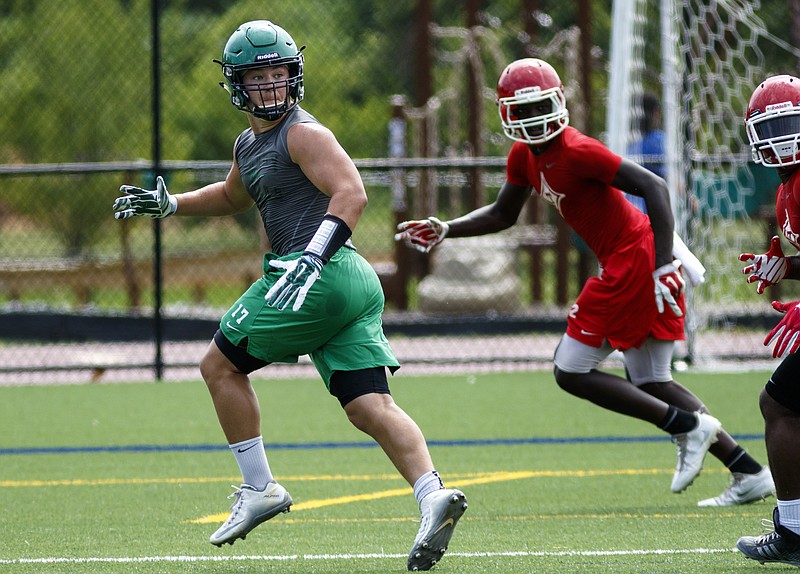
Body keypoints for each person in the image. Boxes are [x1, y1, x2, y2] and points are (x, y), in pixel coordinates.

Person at [112, 20, 466, 572]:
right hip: (347, 284)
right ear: (237, 84)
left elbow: (351, 191)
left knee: (218, 367)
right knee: (369, 405)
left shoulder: (304, 133)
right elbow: (233, 195)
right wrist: (172, 204)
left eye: (280, 73)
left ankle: (260, 488)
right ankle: (432, 495)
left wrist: (312, 257)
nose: (272, 86)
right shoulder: (249, 143)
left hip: (319, 273)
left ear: (294, 76)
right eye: (260, 76)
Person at [396, 57, 773, 506]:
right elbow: (502, 214)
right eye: (524, 111)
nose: (536, 120)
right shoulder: (524, 156)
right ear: (507, 115)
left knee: (571, 369)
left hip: (633, 259)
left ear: (558, 104)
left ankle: (687, 425)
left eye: (541, 107)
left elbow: (655, 186)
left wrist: (659, 264)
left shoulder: (576, 149)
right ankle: (747, 470)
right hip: (632, 256)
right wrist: (448, 228)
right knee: (652, 380)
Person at [735, 74, 800, 566]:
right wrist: (784, 266)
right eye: (771, 126)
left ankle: (794, 530)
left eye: (790, 123)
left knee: (779, 405)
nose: (781, 137)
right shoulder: (786, 189)